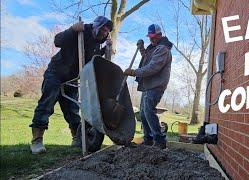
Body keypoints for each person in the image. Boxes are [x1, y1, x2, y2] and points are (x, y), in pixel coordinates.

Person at [29, 16, 113, 154]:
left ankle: (77, 139)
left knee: (72, 110)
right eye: (103, 29)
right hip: (55, 73)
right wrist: (72, 29)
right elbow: (57, 41)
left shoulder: (96, 44)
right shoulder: (80, 31)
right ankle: (37, 141)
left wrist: (106, 50)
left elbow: (91, 59)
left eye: (107, 31)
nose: (105, 33)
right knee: (46, 105)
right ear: (96, 26)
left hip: (72, 79)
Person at [124, 24, 172, 149]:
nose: (151, 39)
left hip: (156, 85)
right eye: (150, 37)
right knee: (144, 113)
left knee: (149, 111)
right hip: (148, 85)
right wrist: (141, 48)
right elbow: (147, 58)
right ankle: (148, 139)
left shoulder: (163, 49)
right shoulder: (154, 48)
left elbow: (153, 67)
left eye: (153, 37)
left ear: (159, 35)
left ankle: (160, 140)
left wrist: (134, 72)